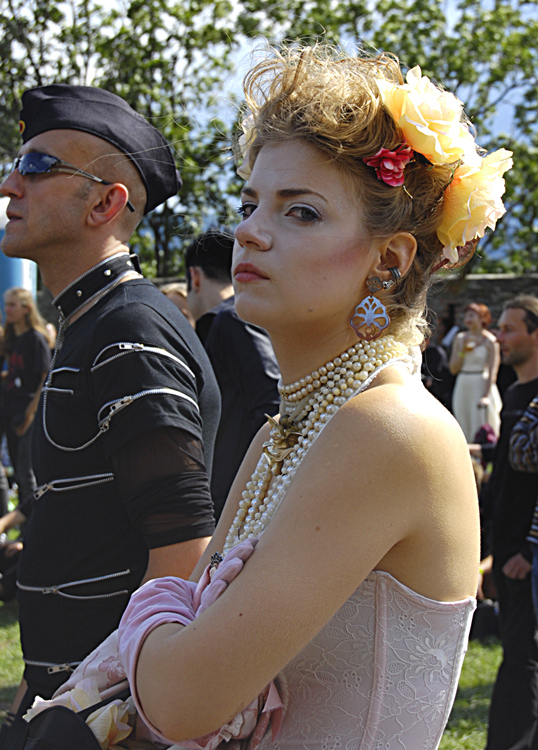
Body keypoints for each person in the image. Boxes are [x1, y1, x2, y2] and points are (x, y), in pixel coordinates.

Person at [106, 45, 513, 749]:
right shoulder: (286, 431)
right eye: (250, 202)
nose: (249, 231)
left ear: (388, 260)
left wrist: (147, 606)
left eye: (301, 212)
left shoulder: (390, 429)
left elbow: (179, 699)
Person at [0, 82, 220, 734]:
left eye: (37, 166)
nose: (11, 185)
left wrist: (87, 714)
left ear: (105, 201)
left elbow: (183, 556)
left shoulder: (129, 331)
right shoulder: (95, 322)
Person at [472, 296, 538, 750]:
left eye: (512, 329)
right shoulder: (514, 394)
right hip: (509, 550)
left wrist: (529, 550)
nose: (501, 337)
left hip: (528, 557)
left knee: (524, 659)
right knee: (517, 655)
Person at [186, 228, 280, 519]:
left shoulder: (231, 320)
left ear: (195, 278)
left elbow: (272, 404)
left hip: (238, 501)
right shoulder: (255, 314)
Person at [1, 288, 51, 510]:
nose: (7, 309)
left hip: (27, 412)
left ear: (26, 308)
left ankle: (31, 528)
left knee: (26, 472)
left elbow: (45, 379)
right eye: (6, 304)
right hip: (10, 410)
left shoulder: (35, 338)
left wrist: (30, 414)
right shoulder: (13, 340)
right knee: (18, 474)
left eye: (12, 305)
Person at [450, 302, 502, 441]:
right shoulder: (460, 338)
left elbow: (493, 370)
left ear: (482, 318)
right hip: (463, 382)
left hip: (481, 383)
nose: (468, 318)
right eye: (466, 315)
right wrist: (462, 351)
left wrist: (486, 395)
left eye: (472, 315)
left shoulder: (490, 341)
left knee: (479, 421)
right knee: (463, 419)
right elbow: (453, 369)